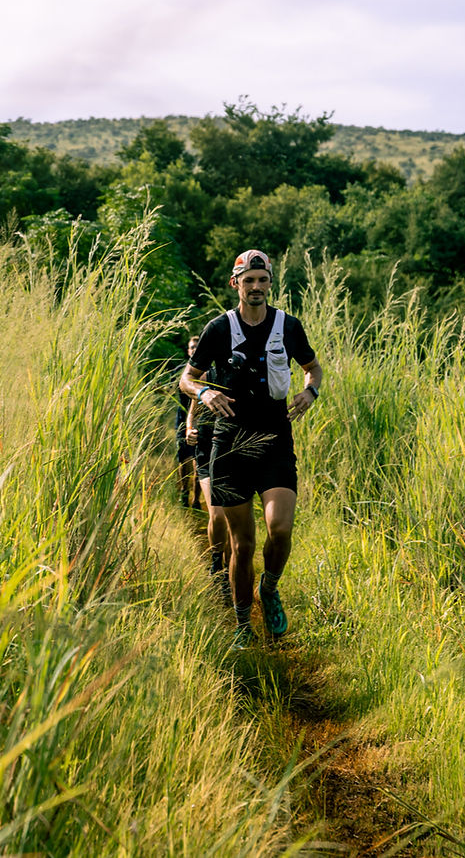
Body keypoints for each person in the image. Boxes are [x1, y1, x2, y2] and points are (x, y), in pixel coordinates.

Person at [180, 250, 322, 649]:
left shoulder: (288, 326)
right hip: (229, 445)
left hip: (275, 440)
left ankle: (270, 589)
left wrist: (310, 391)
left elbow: (314, 367)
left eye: (262, 279)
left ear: (270, 282)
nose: (256, 287)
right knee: (241, 544)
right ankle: (242, 623)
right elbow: (186, 379)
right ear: (235, 283)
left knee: (280, 529)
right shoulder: (218, 329)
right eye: (249, 280)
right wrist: (205, 392)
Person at [184, 368, 231, 602]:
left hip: (235, 450)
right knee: (218, 514)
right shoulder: (205, 375)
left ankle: (233, 573)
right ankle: (216, 564)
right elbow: (192, 411)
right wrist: (189, 430)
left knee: (235, 521)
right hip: (206, 450)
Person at [174, 336, 202, 509]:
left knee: (198, 461)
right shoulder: (181, 370)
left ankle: (196, 499)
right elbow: (169, 388)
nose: (193, 350)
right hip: (181, 420)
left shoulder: (207, 370)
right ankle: (184, 491)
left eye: (197, 347)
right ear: (188, 350)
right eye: (191, 347)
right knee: (183, 459)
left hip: (200, 421)